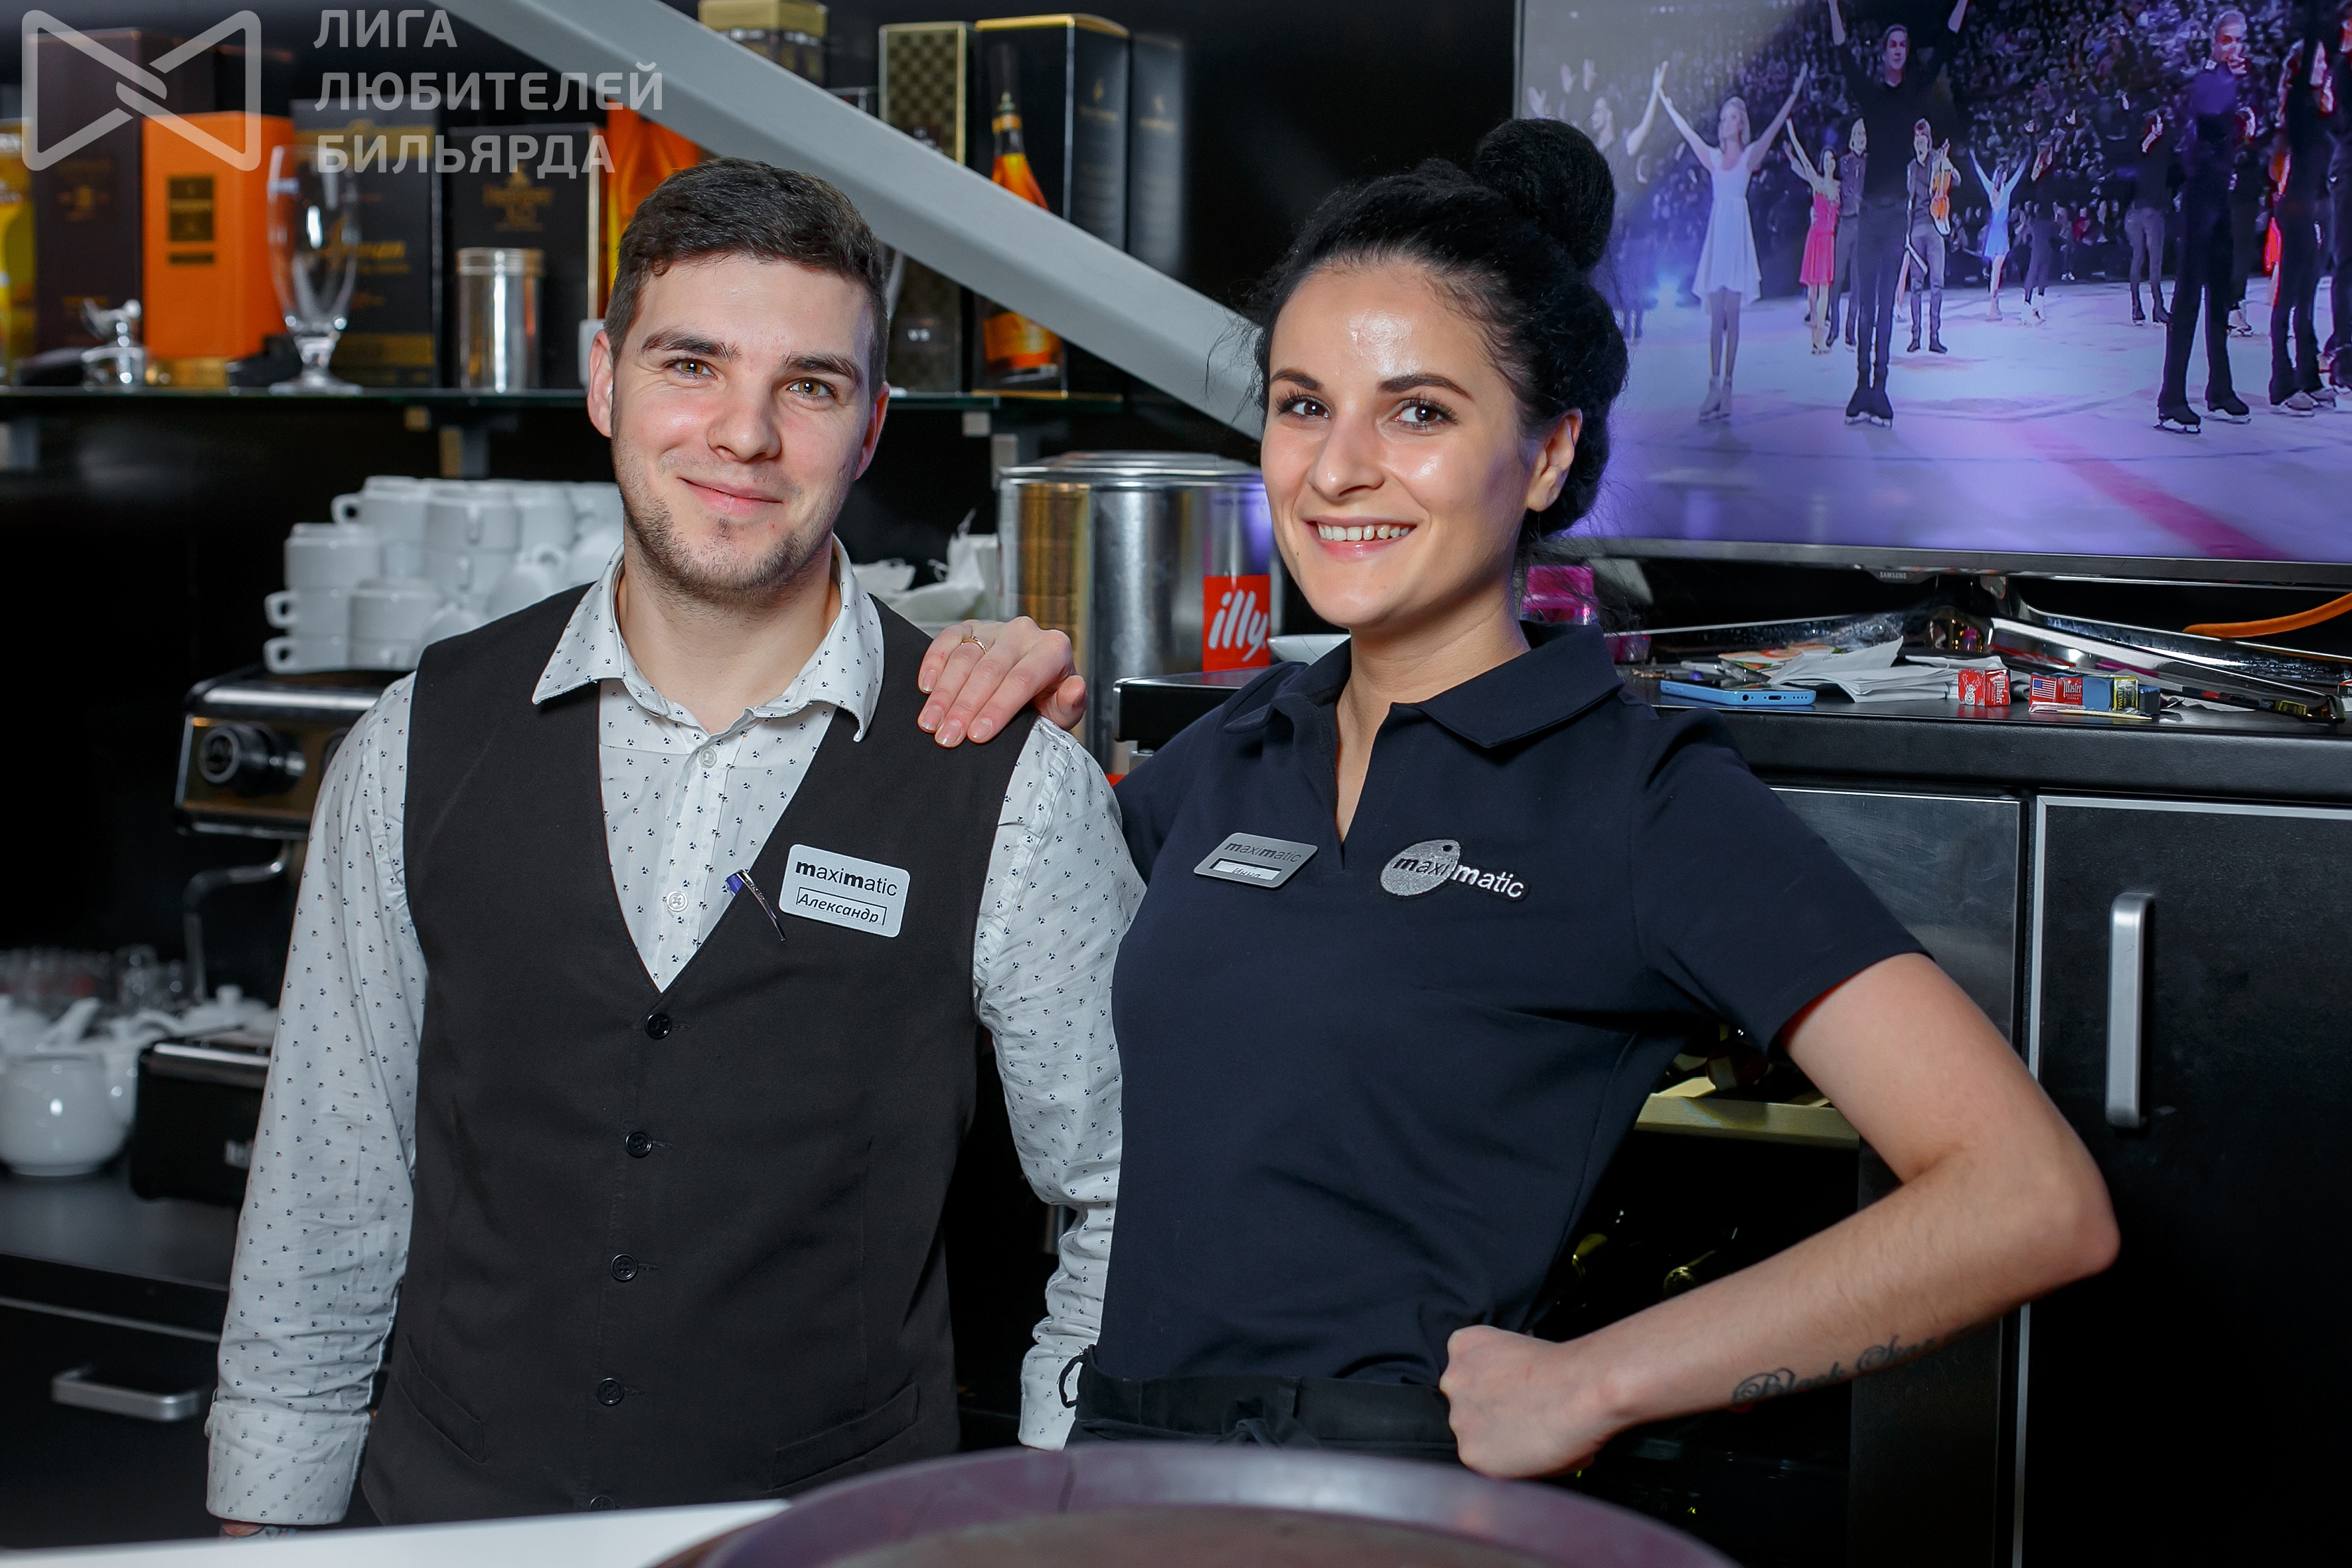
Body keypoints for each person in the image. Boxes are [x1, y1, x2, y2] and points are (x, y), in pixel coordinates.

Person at [1040, 115, 2116, 1472]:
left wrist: (1603, 1379)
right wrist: (1013, 719)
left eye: (1418, 412)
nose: (1335, 467)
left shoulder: (1635, 796)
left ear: (1547, 454)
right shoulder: (1234, 746)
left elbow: (2027, 1197)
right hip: (1122, 1473)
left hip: (1385, 1504)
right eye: (1302, 404)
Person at [204, 160, 1131, 1531]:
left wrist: (1062, 1490)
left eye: (808, 385)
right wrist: (266, 1525)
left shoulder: (1013, 783)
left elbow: (1131, 1191)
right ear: (605, 379)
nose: (742, 433)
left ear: (870, 426)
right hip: (452, 1527)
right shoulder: (414, 740)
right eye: (690, 364)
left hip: (835, 1538)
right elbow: (321, 1189)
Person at [1832, 0, 1973, 428]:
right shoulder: (1871, 95)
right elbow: (1842, 51)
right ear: (1883, 52)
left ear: (1907, 53)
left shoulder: (1914, 93)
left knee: (1884, 305)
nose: (1897, 49)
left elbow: (1946, 45)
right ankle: (1861, 385)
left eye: (1903, 45)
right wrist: (1832, 6)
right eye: (1892, 44)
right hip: (1869, 214)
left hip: (1896, 217)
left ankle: (1880, 388)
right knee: (1866, 306)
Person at [1659, 64, 1810, 420]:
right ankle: (1713, 386)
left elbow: (1776, 124)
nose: (1725, 123)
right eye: (1724, 117)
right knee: (1716, 319)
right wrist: (1663, 98)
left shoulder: (1749, 155)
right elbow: (1687, 133)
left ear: (1740, 124)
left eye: (1732, 118)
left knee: (1732, 316)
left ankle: (1728, 386)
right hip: (1718, 235)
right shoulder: (1713, 157)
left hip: (1737, 236)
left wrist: (1796, 88)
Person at [2158, 9, 2260, 433]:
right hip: (2200, 197)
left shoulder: (2236, 81)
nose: (2235, 47)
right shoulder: (2206, 79)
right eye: (2228, 40)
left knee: (2221, 296)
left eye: (2240, 40)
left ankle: (2220, 389)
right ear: (2216, 42)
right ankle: (2171, 399)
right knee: (2188, 297)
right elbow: (2213, 112)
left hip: (2222, 197)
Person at [2270, 34, 2336, 412]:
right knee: (2289, 298)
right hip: (2297, 207)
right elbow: (2279, 168)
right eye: (2319, 61)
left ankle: (2308, 376)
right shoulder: (2297, 107)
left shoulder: (2323, 106)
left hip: (2319, 205)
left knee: (2308, 299)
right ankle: (2282, 382)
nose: (2325, 67)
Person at [1785, 123, 1843, 353]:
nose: (1830, 163)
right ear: (1823, 162)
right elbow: (1804, 164)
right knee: (1812, 293)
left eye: (1832, 160)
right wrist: (1792, 135)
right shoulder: (1817, 182)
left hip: (1828, 240)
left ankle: (1819, 340)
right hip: (1816, 239)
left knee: (1824, 290)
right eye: (1826, 160)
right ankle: (1815, 338)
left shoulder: (1839, 186)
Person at [2122, 110, 2178, 325]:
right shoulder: (2160, 147)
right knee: (2154, 260)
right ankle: (2158, 308)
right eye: (2160, 123)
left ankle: (2137, 308)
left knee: (2139, 258)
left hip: (2136, 210)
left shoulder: (2141, 147)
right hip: (2150, 211)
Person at [1904, 121, 1955, 353]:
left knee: (1937, 285)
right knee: (1916, 286)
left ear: (1929, 141)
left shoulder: (1938, 160)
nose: (1920, 144)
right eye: (1917, 140)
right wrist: (1906, 233)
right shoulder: (1911, 168)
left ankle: (1935, 337)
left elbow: (1956, 180)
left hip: (1935, 227)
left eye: (1923, 140)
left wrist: (1947, 165)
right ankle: (1916, 337)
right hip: (1916, 230)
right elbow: (1907, 201)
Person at [1970, 145, 2025, 321]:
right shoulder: (2006, 190)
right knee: (1996, 272)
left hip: (1994, 234)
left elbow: (1980, 173)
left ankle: (1994, 306)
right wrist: (2025, 159)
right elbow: (2018, 174)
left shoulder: (1991, 189)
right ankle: (1993, 307)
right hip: (2000, 234)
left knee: (1995, 272)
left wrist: (1974, 159)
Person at [1832, 119, 1870, 344]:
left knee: (1857, 280)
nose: (1860, 139)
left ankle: (1850, 330)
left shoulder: (1870, 163)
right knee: (1837, 276)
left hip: (1862, 225)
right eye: (1858, 135)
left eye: (1864, 135)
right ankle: (1834, 328)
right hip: (1845, 223)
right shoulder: (1843, 163)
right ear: (1852, 138)